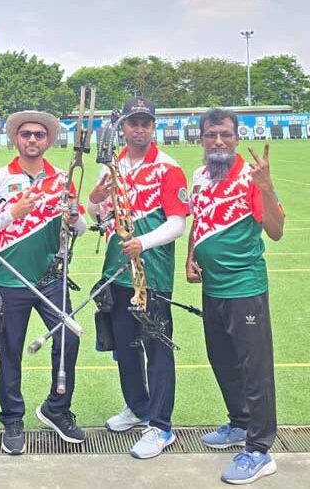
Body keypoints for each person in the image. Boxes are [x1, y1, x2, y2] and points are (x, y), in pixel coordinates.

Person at [0, 110, 86, 455]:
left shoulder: (62, 178)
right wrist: (13, 213)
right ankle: (12, 419)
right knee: (10, 351)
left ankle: (56, 409)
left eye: (39, 135)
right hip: (7, 278)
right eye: (26, 134)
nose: (32, 139)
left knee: (68, 338)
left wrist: (73, 217)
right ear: (16, 139)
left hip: (50, 277)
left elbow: (79, 228)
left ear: (48, 140)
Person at [87, 97, 190, 460]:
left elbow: (177, 223)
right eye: (133, 123)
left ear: (153, 127)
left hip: (152, 274)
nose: (139, 129)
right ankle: (137, 406)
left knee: (157, 349)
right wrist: (94, 200)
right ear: (124, 128)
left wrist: (142, 243)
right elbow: (99, 214)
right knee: (126, 347)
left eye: (146, 123)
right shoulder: (113, 167)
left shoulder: (168, 168)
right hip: (117, 272)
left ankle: (160, 426)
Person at [186, 108, 284, 485]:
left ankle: (259, 449)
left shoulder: (250, 176)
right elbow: (200, 221)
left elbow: (276, 231)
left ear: (236, 138)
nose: (218, 141)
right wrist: (191, 256)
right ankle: (240, 423)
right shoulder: (199, 176)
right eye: (211, 135)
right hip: (212, 287)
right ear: (201, 139)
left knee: (254, 369)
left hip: (245, 287)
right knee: (221, 358)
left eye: (225, 134)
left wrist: (267, 187)